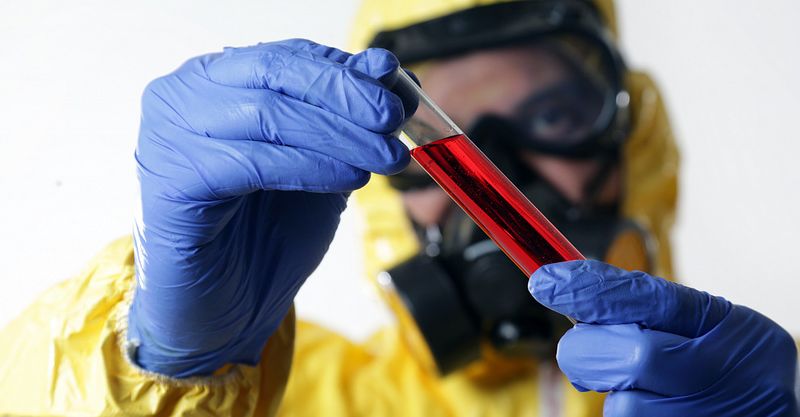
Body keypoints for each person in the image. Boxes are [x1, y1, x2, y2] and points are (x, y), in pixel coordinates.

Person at [0, 1, 797, 416]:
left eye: (553, 114)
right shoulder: (277, 396)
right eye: (443, 135)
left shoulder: (753, 387)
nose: (496, 179)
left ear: (633, 138)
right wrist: (160, 378)